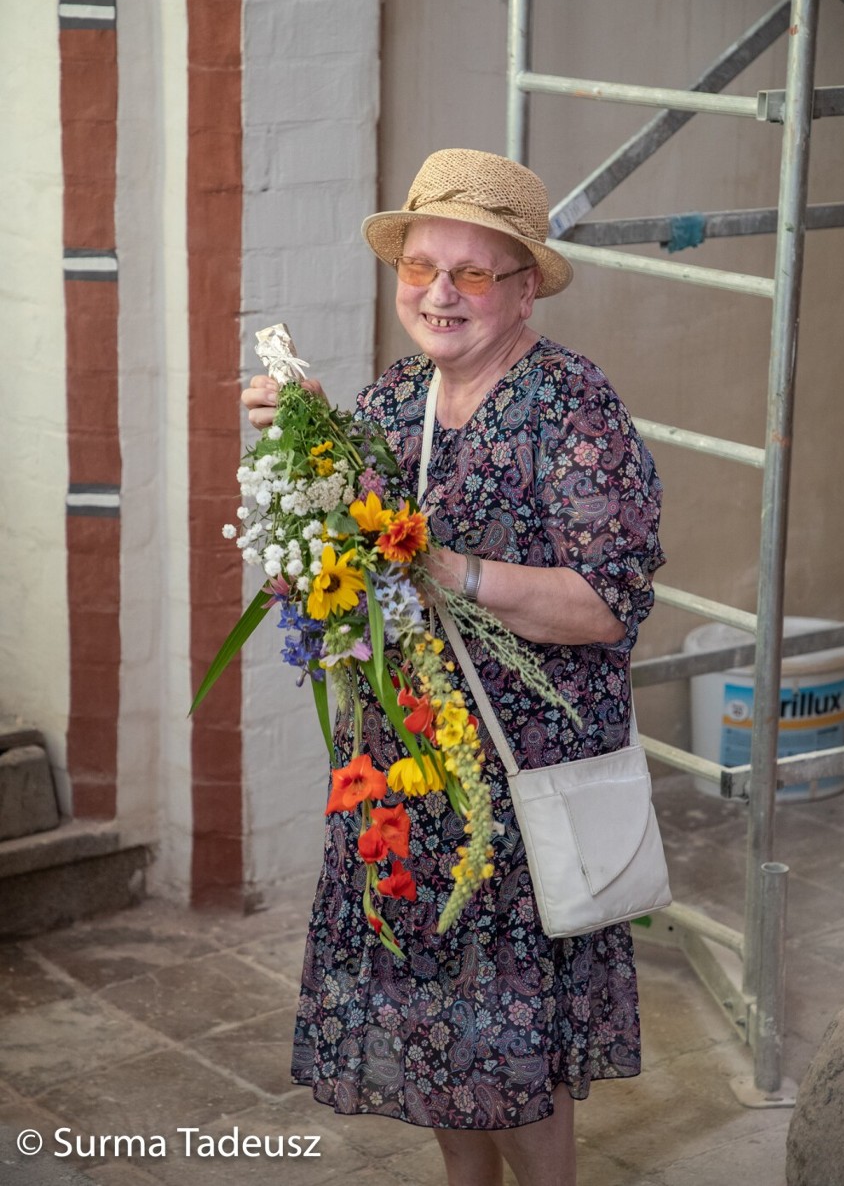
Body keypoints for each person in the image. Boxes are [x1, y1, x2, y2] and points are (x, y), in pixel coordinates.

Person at [242, 148, 665, 1186]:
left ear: (523, 290)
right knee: (434, 1025)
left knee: (515, 1048)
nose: (439, 293)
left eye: (471, 273)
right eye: (421, 267)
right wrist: (303, 473)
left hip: (519, 789)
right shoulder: (392, 404)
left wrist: (447, 567)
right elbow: (351, 572)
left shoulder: (571, 408)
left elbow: (608, 605)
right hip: (406, 776)